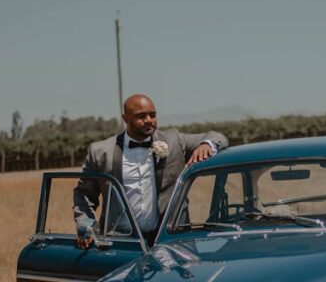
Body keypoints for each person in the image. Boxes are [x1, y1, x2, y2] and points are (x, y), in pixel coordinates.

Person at [73, 94, 229, 248]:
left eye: (152, 115)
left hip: (171, 240)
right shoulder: (101, 152)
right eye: (141, 116)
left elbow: (217, 136)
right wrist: (86, 225)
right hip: (120, 244)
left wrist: (207, 145)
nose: (149, 120)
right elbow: (84, 194)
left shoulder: (174, 141)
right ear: (125, 118)